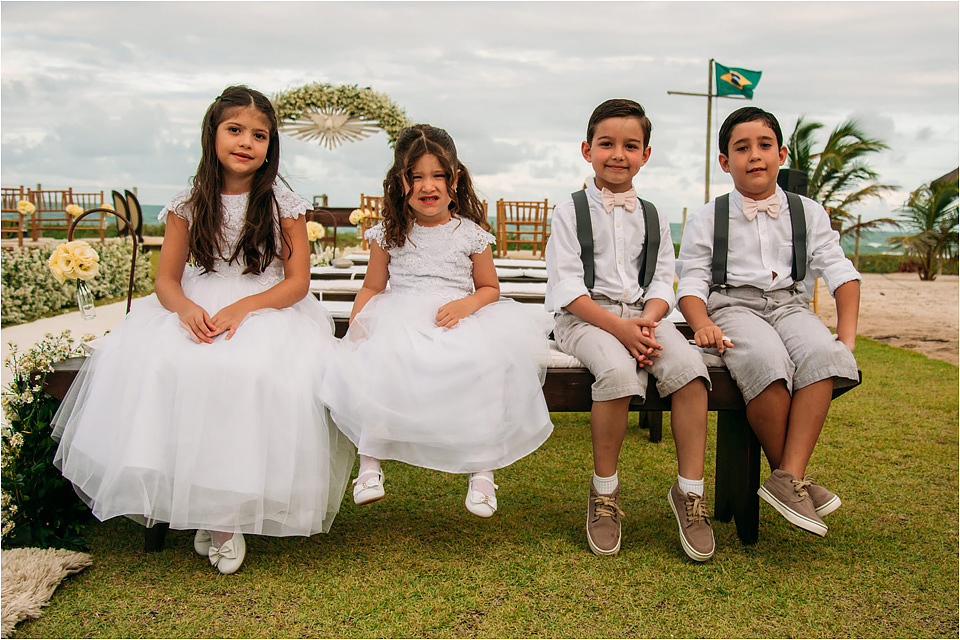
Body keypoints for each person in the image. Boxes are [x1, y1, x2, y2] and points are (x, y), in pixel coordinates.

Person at [51, 86, 355, 574]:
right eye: (235, 130)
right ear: (212, 134)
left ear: (271, 145)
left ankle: (219, 511)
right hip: (198, 303)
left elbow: (297, 283)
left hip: (266, 306)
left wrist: (245, 309)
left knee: (247, 371)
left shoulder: (285, 204)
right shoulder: (188, 203)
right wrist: (185, 310)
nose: (246, 142)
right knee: (164, 366)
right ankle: (207, 510)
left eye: (259, 135)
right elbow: (166, 280)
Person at [320, 124, 553, 518]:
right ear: (400, 181)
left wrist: (467, 305)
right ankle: (370, 463)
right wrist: (356, 330)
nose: (428, 186)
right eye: (416, 177)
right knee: (376, 360)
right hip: (400, 315)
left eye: (438, 175)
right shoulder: (388, 235)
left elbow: (490, 288)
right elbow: (373, 288)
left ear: (455, 178)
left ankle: (483, 472)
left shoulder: (471, 234)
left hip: (458, 317)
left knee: (487, 365)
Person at [676, 106, 860, 537]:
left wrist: (846, 337)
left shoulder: (808, 212)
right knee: (765, 360)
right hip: (733, 307)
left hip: (790, 304)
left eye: (764, 146)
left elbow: (841, 272)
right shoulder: (709, 216)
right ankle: (793, 479)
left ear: (781, 153)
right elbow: (692, 281)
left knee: (822, 353)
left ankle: (785, 475)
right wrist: (702, 321)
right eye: (742, 148)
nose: (754, 156)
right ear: (726, 162)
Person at [545, 99, 714, 560]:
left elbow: (663, 280)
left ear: (645, 154)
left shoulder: (654, 214)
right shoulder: (568, 211)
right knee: (618, 376)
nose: (618, 154)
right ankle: (605, 494)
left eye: (630, 145)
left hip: (645, 317)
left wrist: (647, 319)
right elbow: (566, 287)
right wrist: (621, 330)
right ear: (587, 149)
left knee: (691, 373)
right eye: (607, 144)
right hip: (586, 317)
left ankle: (689, 493)